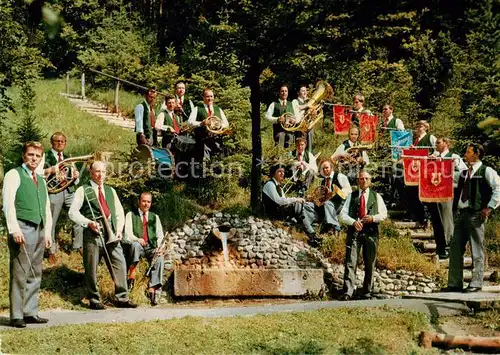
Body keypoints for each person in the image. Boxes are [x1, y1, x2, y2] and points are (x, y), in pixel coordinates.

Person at [69, 161, 137, 309]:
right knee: (91, 267)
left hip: (111, 232)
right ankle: (94, 300)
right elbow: (72, 212)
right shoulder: (83, 190)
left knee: (120, 264)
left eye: (103, 172)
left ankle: (122, 298)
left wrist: (119, 230)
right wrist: (88, 223)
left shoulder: (110, 190)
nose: (100, 175)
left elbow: (119, 213)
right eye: (97, 172)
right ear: (91, 173)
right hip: (93, 233)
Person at [3, 141, 53, 328]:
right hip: (23, 228)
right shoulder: (14, 174)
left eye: (37, 156)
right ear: (24, 155)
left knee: (35, 271)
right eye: (31, 155)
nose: (34, 158)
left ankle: (30, 311)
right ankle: (16, 315)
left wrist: (47, 232)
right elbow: (8, 203)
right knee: (20, 272)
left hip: (39, 229)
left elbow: (46, 207)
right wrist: (14, 229)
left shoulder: (40, 179)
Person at [445, 143, 499, 293]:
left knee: (477, 248)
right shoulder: (464, 173)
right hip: (462, 214)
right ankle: (454, 283)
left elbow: (498, 187)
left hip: (476, 214)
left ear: (476, 154)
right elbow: (448, 178)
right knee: (455, 248)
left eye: (468, 152)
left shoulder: (486, 170)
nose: (465, 155)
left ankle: (476, 283)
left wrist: (489, 207)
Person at [339, 170, 387, 300]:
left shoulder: (376, 196)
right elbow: (342, 214)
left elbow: (384, 214)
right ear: (358, 181)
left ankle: (367, 291)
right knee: (351, 261)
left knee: (370, 262)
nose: (364, 181)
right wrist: (353, 222)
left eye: (366, 178)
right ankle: (348, 291)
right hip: (354, 232)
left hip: (371, 233)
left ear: (370, 181)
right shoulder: (351, 196)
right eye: (361, 179)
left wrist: (372, 218)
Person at [43, 132, 83, 263]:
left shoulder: (68, 158)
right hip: (54, 192)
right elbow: (39, 174)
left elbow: (75, 181)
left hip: (69, 191)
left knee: (78, 217)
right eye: (57, 141)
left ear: (65, 143)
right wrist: (51, 171)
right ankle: (51, 251)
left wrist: (76, 176)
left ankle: (77, 246)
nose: (60, 143)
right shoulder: (45, 157)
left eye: (62, 141)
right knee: (51, 222)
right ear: (51, 143)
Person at [427, 137, 467, 259]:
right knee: (436, 219)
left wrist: (450, 168)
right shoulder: (433, 155)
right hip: (433, 192)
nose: (435, 145)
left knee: (446, 219)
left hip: (447, 192)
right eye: (435, 143)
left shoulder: (453, 156)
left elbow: (464, 173)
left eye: (438, 143)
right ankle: (440, 247)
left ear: (446, 144)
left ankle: (450, 246)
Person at [123, 192, 165, 306]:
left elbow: (160, 235)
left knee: (160, 258)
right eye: (144, 201)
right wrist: (137, 239)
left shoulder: (154, 217)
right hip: (137, 247)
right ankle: (132, 274)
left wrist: (160, 248)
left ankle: (152, 289)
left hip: (150, 247)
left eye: (148, 202)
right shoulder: (130, 215)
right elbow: (127, 234)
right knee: (135, 245)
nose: (146, 204)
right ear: (139, 202)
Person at [302, 159, 351, 244]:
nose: (325, 170)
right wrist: (314, 198)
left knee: (328, 203)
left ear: (331, 167)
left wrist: (335, 193)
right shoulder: (324, 180)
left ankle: (335, 227)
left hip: (340, 203)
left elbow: (348, 190)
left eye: (326, 168)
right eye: (323, 168)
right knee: (307, 205)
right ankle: (309, 229)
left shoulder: (340, 176)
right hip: (327, 204)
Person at [407, 120, 436, 227]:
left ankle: (427, 218)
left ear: (426, 127)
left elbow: (437, 150)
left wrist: (433, 156)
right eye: (417, 126)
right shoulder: (415, 141)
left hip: (427, 168)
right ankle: (417, 216)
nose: (419, 128)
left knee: (425, 193)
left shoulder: (430, 137)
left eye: (421, 126)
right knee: (414, 193)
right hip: (415, 171)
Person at [188, 88, 229, 161]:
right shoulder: (197, 109)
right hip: (202, 141)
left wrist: (219, 125)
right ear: (203, 97)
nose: (210, 98)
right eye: (207, 96)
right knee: (204, 162)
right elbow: (190, 122)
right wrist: (201, 123)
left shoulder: (218, 109)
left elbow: (226, 124)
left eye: (211, 96)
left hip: (217, 140)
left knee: (217, 161)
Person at [292, 85, 313, 152]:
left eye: (306, 91)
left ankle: (308, 155)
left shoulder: (309, 101)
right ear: (298, 93)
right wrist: (307, 105)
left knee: (309, 141)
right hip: (299, 126)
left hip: (308, 125)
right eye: (302, 91)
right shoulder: (295, 101)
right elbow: (297, 108)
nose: (305, 92)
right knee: (300, 144)